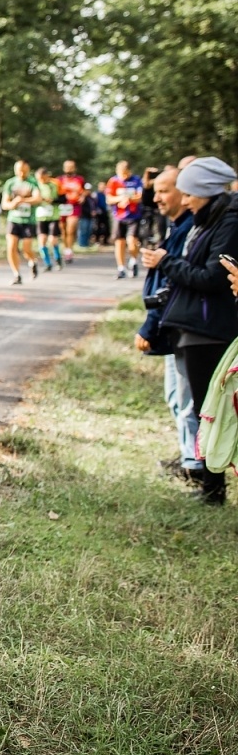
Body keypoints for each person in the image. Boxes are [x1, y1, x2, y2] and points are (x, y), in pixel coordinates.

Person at [149, 157, 238, 504]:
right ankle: (209, 485)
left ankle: (213, 489)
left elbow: (213, 277)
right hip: (192, 327)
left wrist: (166, 263)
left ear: (204, 191)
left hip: (209, 329)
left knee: (208, 411)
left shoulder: (227, 222)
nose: (184, 201)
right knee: (202, 409)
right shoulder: (207, 219)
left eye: (188, 194)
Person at [134, 167, 197, 484]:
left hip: (186, 324)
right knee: (176, 397)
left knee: (188, 403)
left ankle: (198, 469)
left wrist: (150, 325)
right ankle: (190, 459)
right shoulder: (177, 226)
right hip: (174, 324)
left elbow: (174, 284)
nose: (156, 197)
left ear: (185, 194)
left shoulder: (190, 229)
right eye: (155, 190)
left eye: (164, 190)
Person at [1, 160, 42, 284]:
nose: (21, 173)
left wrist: (23, 200)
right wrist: (13, 203)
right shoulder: (10, 183)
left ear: (28, 170)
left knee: (26, 249)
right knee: (11, 247)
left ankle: (32, 261)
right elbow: (4, 204)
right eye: (19, 170)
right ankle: (16, 274)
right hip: (13, 219)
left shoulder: (33, 182)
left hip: (28, 220)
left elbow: (38, 198)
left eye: (24, 170)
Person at [105, 160, 145, 279]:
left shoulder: (136, 180)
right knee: (119, 242)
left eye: (125, 173)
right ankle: (121, 268)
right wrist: (120, 198)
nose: (124, 176)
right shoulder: (113, 181)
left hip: (133, 215)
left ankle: (133, 260)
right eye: (121, 173)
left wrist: (129, 198)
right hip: (118, 216)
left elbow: (139, 197)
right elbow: (109, 199)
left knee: (132, 242)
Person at [34, 167, 64, 271]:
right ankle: (47, 263)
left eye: (42, 178)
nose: (41, 180)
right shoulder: (35, 185)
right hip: (41, 216)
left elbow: (64, 198)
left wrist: (53, 200)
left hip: (53, 216)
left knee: (53, 240)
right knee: (42, 241)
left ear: (47, 176)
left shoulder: (56, 183)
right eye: (39, 179)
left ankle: (58, 259)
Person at [57, 160, 87, 260]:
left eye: (71, 167)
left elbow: (85, 190)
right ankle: (66, 248)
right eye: (67, 166)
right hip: (62, 206)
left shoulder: (79, 179)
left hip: (74, 206)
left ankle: (70, 249)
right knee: (63, 230)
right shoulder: (59, 180)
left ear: (74, 168)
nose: (69, 168)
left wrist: (82, 196)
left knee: (71, 229)